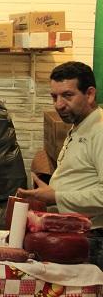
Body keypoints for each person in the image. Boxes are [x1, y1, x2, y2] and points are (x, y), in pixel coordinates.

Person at [17, 61, 103, 228]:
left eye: (67, 95)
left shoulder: (99, 131)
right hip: (73, 228)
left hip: (93, 237)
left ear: (90, 94)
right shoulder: (81, 124)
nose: (59, 105)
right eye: (54, 97)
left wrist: (56, 196)